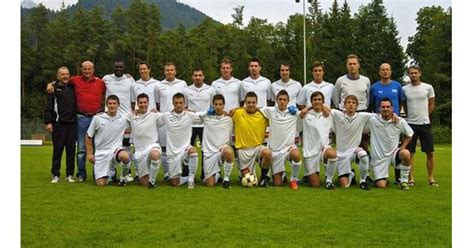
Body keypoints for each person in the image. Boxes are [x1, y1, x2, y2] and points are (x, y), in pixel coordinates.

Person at [47, 61, 106, 182]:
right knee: (81, 148)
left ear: (93, 70)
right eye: (85, 69)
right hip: (80, 118)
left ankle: (97, 174)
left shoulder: (101, 82)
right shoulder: (75, 81)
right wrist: (50, 84)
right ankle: (81, 174)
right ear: (81, 70)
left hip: (97, 118)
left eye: (89, 69)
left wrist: (128, 76)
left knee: (98, 147)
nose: (87, 71)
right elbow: (61, 81)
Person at [369, 63, 406, 184]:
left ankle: (398, 178)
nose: (385, 72)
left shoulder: (397, 85)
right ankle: (376, 173)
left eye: (387, 70)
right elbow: (372, 105)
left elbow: (401, 102)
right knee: (379, 148)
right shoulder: (374, 87)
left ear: (390, 72)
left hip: (394, 122)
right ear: (379, 72)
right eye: (383, 70)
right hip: (380, 122)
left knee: (397, 148)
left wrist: (395, 113)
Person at [402, 65, 438, 187]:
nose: (413, 75)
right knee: (410, 153)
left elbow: (432, 104)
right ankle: (411, 179)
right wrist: (408, 117)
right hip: (411, 124)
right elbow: (404, 105)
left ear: (420, 73)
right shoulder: (405, 89)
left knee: (430, 152)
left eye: (415, 73)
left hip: (425, 124)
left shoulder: (428, 87)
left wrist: (426, 116)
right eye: (411, 73)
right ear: (409, 75)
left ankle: (431, 178)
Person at [368, 98, 413, 190]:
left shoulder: (399, 121)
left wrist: (402, 147)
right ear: (379, 109)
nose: (385, 109)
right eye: (383, 107)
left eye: (388, 107)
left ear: (392, 108)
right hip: (379, 158)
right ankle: (378, 178)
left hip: (393, 154)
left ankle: (404, 181)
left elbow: (410, 134)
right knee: (381, 185)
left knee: (406, 153)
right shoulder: (372, 120)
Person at [259, 90, 302, 189]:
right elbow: (254, 109)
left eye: (284, 100)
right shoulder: (270, 110)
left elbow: (306, 113)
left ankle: (293, 180)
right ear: (276, 101)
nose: (282, 102)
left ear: (288, 101)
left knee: (296, 154)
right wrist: (235, 110)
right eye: (280, 99)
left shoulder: (293, 112)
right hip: (275, 150)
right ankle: (281, 175)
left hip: (288, 148)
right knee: (278, 183)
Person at [85, 95, 131, 186]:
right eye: (110, 103)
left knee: (125, 156)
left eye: (114, 103)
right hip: (101, 152)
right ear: (106, 105)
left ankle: (123, 179)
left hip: (115, 150)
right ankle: (111, 172)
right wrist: (90, 154)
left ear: (118, 105)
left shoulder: (124, 118)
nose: (112, 106)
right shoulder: (97, 118)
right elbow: (88, 136)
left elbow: (137, 122)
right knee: (101, 184)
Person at [102, 59, 136, 182]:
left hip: (125, 118)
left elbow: (133, 98)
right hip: (110, 118)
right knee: (111, 145)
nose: (118, 69)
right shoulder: (106, 79)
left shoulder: (129, 80)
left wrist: (134, 112)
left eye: (120, 67)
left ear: (124, 67)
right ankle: (111, 172)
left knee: (126, 145)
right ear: (113, 67)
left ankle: (127, 173)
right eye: (116, 67)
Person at [157, 93, 200, 188]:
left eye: (181, 103)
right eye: (176, 103)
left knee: (193, 151)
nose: (178, 105)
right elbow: (155, 122)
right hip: (172, 153)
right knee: (175, 183)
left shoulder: (190, 115)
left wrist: (214, 111)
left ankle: (191, 179)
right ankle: (186, 176)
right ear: (173, 103)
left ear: (184, 103)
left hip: (185, 148)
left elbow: (204, 117)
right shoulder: (166, 116)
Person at [44, 66, 77, 183]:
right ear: (58, 76)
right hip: (59, 124)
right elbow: (48, 107)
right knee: (57, 151)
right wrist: (48, 122)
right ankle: (56, 175)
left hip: (72, 124)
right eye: (62, 74)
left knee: (71, 151)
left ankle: (69, 175)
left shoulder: (73, 87)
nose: (65, 76)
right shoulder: (53, 89)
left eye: (67, 74)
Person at [332, 95, 373, 190]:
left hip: (354, 151)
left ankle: (363, 181)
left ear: (357, 106)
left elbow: (380, 116)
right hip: (341, 154)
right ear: (344, 105)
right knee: (345, 186)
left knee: (363, 154)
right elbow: (325, 109)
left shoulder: (363, 116)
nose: (351, 105)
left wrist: (395, 115)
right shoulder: (337, 114)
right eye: (349, 102)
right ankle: (351, 174)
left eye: (353, 103)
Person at [232, 92, 272, 187]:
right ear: (245, 103)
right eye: (248, 102)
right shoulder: (238, 113)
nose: (251, 105)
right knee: (246, 181)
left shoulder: (262, 115)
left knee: (268, 153)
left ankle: (263, 177)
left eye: (253, 102)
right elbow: (227, 114)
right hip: (243, 150)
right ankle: (243, 174)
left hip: (257, 148)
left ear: (256, 103)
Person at [157, 62, 188, 180]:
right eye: (167, 70)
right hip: (166, 120)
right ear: (164, 72)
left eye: (171, 70)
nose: (169, 72)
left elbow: (185, 101)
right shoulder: (159, 85)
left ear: (175, 71)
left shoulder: (182, 84)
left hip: (180, 120)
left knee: (181, 147)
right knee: (165, 147)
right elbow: (157, 103)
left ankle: (183, 172)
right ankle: (166, 172)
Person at [184, 68, 216, 180]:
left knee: (205, 151)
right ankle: (186, 174)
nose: (198, 78)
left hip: (205, 125)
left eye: (200, 75)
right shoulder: (187, 90)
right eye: (195, 75)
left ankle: (205, 174)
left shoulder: (210, 90)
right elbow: (185, 107)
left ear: (203, 77)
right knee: (187, 149)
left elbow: (213, 106)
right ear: (192, 77)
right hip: (190, 125)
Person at [301, 91, 337, 190]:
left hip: (324, 148)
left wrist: (325, 108)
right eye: (315, 100)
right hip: (310, 151)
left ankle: (329, 180)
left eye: (319, 100)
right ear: (311, 102)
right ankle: (309, 175)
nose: (317, 102)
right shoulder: (305, 115)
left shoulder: (329, 115)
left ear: (323, 101)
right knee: (315, 184)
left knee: (332, 154)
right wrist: (308, 108)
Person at [198, 94, 234, 188]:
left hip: (222, 151)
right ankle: (217, 175)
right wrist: (207, 112)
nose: (218, 107)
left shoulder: (229, 119)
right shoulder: (206, 118)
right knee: (210, 184)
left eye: (220, 104)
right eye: (216, 104)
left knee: (229, 151)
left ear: (224, 105)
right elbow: (196, 116)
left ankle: (226, 179)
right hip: (209, 153)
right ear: (212, 105)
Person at [128, 93, 162, 188]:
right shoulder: (131, 115)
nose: (143, 104)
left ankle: (152, 182)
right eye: (141, 103)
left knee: (155, 155)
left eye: (145, 102)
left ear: (148, 103)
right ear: (137, 104)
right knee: (143, 182)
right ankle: (145, 178)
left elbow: (170, 116)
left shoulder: (155, 114)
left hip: (152, 146)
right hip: (140, 151)